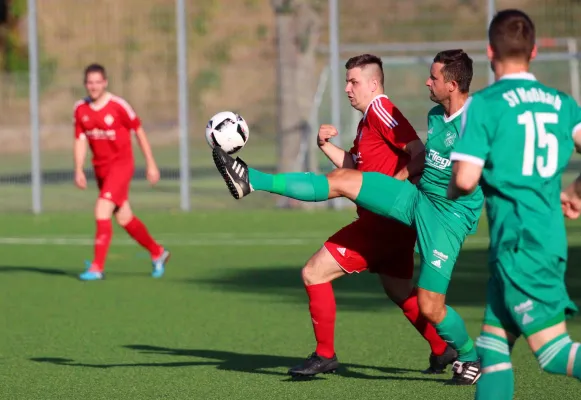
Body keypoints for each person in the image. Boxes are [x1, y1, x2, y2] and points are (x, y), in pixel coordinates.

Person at [212, 50, 484, 385]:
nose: (427, 82)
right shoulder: (434, 115)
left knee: (428, 305)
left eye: (434, 77)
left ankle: (470, 356)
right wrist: (339, 155)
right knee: (395, 284)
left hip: (445, 218)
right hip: (415, 202)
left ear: (453, 84)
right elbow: (404, 162)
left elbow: (432, 158)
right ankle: (253, 179)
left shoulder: (468, 121)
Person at [278, 54, 456, 377]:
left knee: (314, 272)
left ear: (374, 84)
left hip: (382, 223)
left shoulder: (381, 110)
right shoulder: (367, 122)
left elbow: (418, 153)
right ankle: (443, 349)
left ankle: (325, 354)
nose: (347, 88)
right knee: (399, 290)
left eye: (354, 82)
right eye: (347, 81)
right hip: (394, 226)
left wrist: (392, 188)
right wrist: (324, 146)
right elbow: (353, 171)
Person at [447, 9, 581, 398]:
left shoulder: (485, 104)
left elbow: (466, 179)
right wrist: (575, 191)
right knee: (492, 349)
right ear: (534, 51)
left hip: (519, 244)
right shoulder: (562, 103)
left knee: (554, 353)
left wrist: (451, 190)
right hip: (543, 238)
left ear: (490, 51)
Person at [73, 63, 170, 281]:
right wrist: (78, 169)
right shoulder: (80, 109)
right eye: (90, 82)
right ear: (85, 84)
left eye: (98, 82)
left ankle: (97, 267)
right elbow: (79, 139)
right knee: (124, 217)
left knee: (101, 210)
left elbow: (138, 131)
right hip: (101, 170)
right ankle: (158, 252)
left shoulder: (118, 106)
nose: (94, 86)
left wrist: (151, 163)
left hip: (122, 166)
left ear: (105, 82)